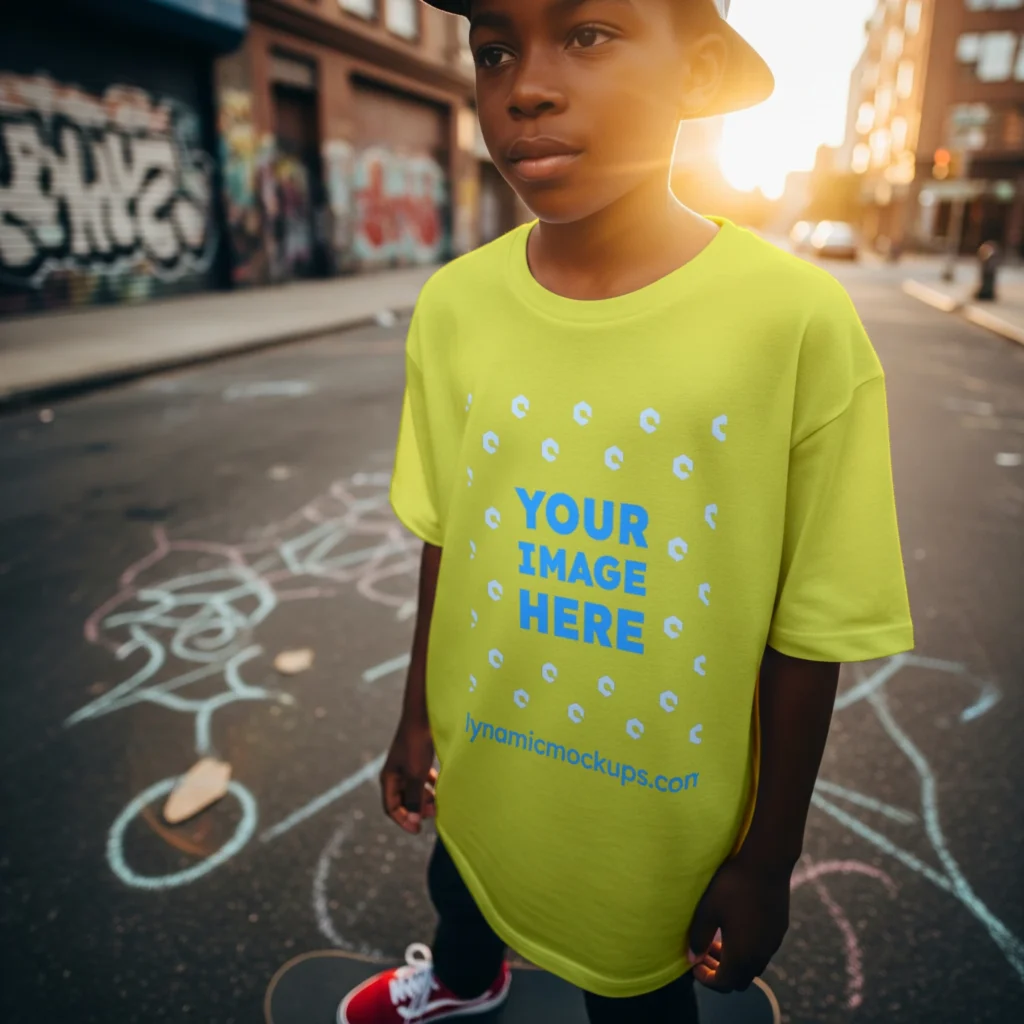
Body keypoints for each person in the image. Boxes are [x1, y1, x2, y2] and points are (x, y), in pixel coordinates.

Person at [338, 1, 914, 1021]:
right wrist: (416, 712)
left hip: (656, 824)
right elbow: (447, 532)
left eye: (587, 34)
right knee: (460, 885)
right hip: (484, 763)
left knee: (637, 997)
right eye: (494, 48)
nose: (526, 85)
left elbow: (813, 621)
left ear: (695, 73)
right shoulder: (454, 306)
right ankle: (465, 982)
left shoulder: (793, 322)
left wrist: (767, 855)